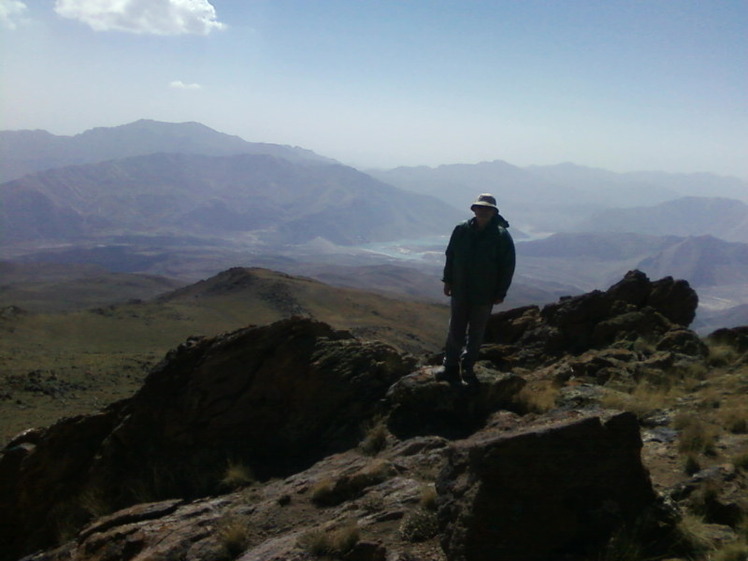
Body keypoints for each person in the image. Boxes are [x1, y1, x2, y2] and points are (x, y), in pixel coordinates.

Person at [437, 193, 516, 386]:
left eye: (487, 208)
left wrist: (500, 292)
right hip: (461, 289)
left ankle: (468, 367)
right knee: (455, 328)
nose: (483, 210)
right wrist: (448, 280)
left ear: (493, 212)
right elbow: (451, 255)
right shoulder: (461, 230)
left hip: (485, 292)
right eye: (480, 207)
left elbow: (507, 266)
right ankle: (450, 367)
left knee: (476, 332)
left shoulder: (501, 235)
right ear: (474, 209)